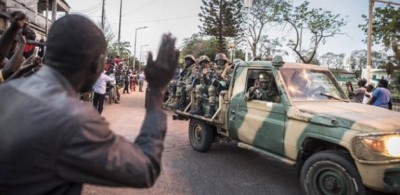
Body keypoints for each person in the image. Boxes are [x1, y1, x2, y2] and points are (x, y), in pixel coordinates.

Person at [0, 15, 179, 194]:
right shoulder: (75, 120)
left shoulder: (7, 91)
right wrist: (156, 90)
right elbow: (145, 169)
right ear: (98, 64)